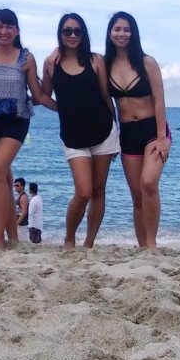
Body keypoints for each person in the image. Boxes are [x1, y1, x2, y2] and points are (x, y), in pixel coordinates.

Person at [41, 13, 119, 249]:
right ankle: (69, 238)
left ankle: (89, 243)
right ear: (60, 34)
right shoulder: (51, 63)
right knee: (83, 191)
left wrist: (116, 131)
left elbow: (106, 96)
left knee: (98, 190)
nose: (72, 35)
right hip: (73, 135)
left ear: (84, 34)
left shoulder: (96, 60)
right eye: (67, 31)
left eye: (77, 31)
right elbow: (44, 95)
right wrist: (64, 109)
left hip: (104, 130)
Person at [0, 8, 44, 249]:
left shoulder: (26, 58)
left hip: (16, 120)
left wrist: (63, 108)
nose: (4, 31)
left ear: (17, 30)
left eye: (9, 27)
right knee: (3, 177)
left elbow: (37, 94)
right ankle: (12, 236)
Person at [105, 11, 171, 249]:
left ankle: (152, 243)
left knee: (149, 183)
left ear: (133, 33)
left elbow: (159, 100)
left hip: (153, 130)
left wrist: (162, 138)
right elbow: (107, 105)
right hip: (128, 134)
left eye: (127, 29)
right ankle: (143, 246)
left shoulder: (146, 62)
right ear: (110, 33)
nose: (122, 34)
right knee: (136, 196)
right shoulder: (105, 64)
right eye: (117, 29)